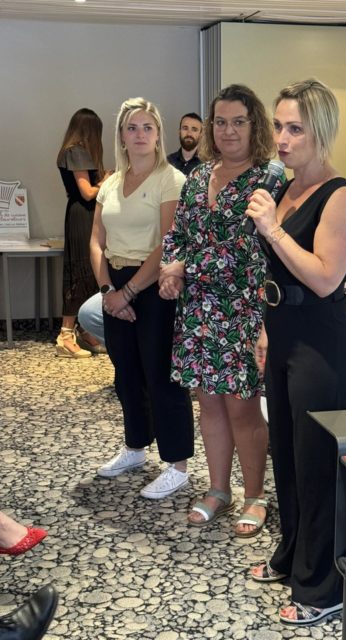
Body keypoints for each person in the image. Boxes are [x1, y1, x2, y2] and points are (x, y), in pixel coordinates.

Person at [245, 79, 346, 625]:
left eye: (295, 128)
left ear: (321, 131)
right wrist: (266, 330)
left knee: (315, 465)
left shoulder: (340, 196)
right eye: (278, 126)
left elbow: (322, 278)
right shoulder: (287, 186)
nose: (282, 138)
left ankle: (323, 587)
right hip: (285, 333)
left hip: (323, 343)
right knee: (288, 457)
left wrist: (272, 229)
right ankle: (294, 556)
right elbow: (279, 276)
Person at [159, 84, 280, 537]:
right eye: (221, 122)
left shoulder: (268, 179)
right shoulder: (197, 177)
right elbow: (178, 235)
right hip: (198, 310)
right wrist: (171, 267)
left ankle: (255, 495)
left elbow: (246, 251)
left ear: (255, 125)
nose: (228, 131)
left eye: (238, 122)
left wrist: (184, 267)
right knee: (208, 403)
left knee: (242, 408)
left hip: (242, 309)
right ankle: (218, 489)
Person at [90, 97, 194, 499]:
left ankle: (177, 464)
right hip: (114, 282)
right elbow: (96, 240)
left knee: (161, 376)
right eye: (132, 127)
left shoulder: (170, 180)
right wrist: (107, 291)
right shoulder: (111, 182)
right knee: (126, 374)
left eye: (147, 127)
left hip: (153, 285)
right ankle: (135, 447)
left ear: (158, 135)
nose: (139, 134)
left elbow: (168, 242)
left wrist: (129, 292)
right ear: (121, 135)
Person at [56, 108, 110, 358]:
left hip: (83, 214)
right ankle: (66, 335)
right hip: (82, 215)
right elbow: (87, 192)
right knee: (79, 270)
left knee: (88, 269)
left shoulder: (72, 151)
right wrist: (107, 181)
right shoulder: (76, 152)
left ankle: (85, 330)